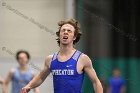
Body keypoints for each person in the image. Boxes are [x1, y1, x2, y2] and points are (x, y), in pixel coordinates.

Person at [20, 19, 103, 93]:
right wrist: (28, 86)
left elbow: (96, 81)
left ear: (74, 37)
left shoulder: (82, 58)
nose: (65, 32)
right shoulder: (50, 59)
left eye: (69, 31)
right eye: (63, 30)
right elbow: (41, 78)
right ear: (59, 35)